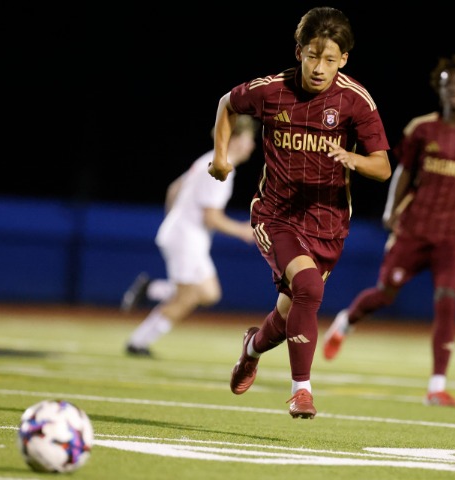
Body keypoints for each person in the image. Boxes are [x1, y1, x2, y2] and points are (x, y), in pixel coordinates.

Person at [208, 7, 391, 419]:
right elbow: (227, 104)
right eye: (312, 56)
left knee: (290, 310)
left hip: (328, 224)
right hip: (275, 215)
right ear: (299, 52)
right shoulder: (271, 90)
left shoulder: (355, 100)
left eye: (329, 59)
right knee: (308, 287)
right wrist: (221, 158)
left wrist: (353, 159)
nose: (319, 68)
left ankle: (252, 348)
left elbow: (382, 167)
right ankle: (301, 391)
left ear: (344, 59)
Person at [322, 54, 455, 407]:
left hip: (453, 236)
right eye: (447, 84)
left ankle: (436, 386)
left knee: (447, 299)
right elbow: (404, 172)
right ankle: (345, 321)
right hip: (414, 229)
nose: (452, 91)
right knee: (385, 293)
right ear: (439, 89)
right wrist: (390, 209)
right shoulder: (421, 129)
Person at [123, 115, 258, 357]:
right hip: (187, 239)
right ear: (234, 139)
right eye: (248, 139)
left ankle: (151, 289)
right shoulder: (221, 168)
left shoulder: (209, 159)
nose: (252, 145)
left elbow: (173, 189)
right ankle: (138, 342)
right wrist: (242, 231)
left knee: (209, 293)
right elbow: (211, 218)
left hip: (185, 236)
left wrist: (175, 221)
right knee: (187, 297)